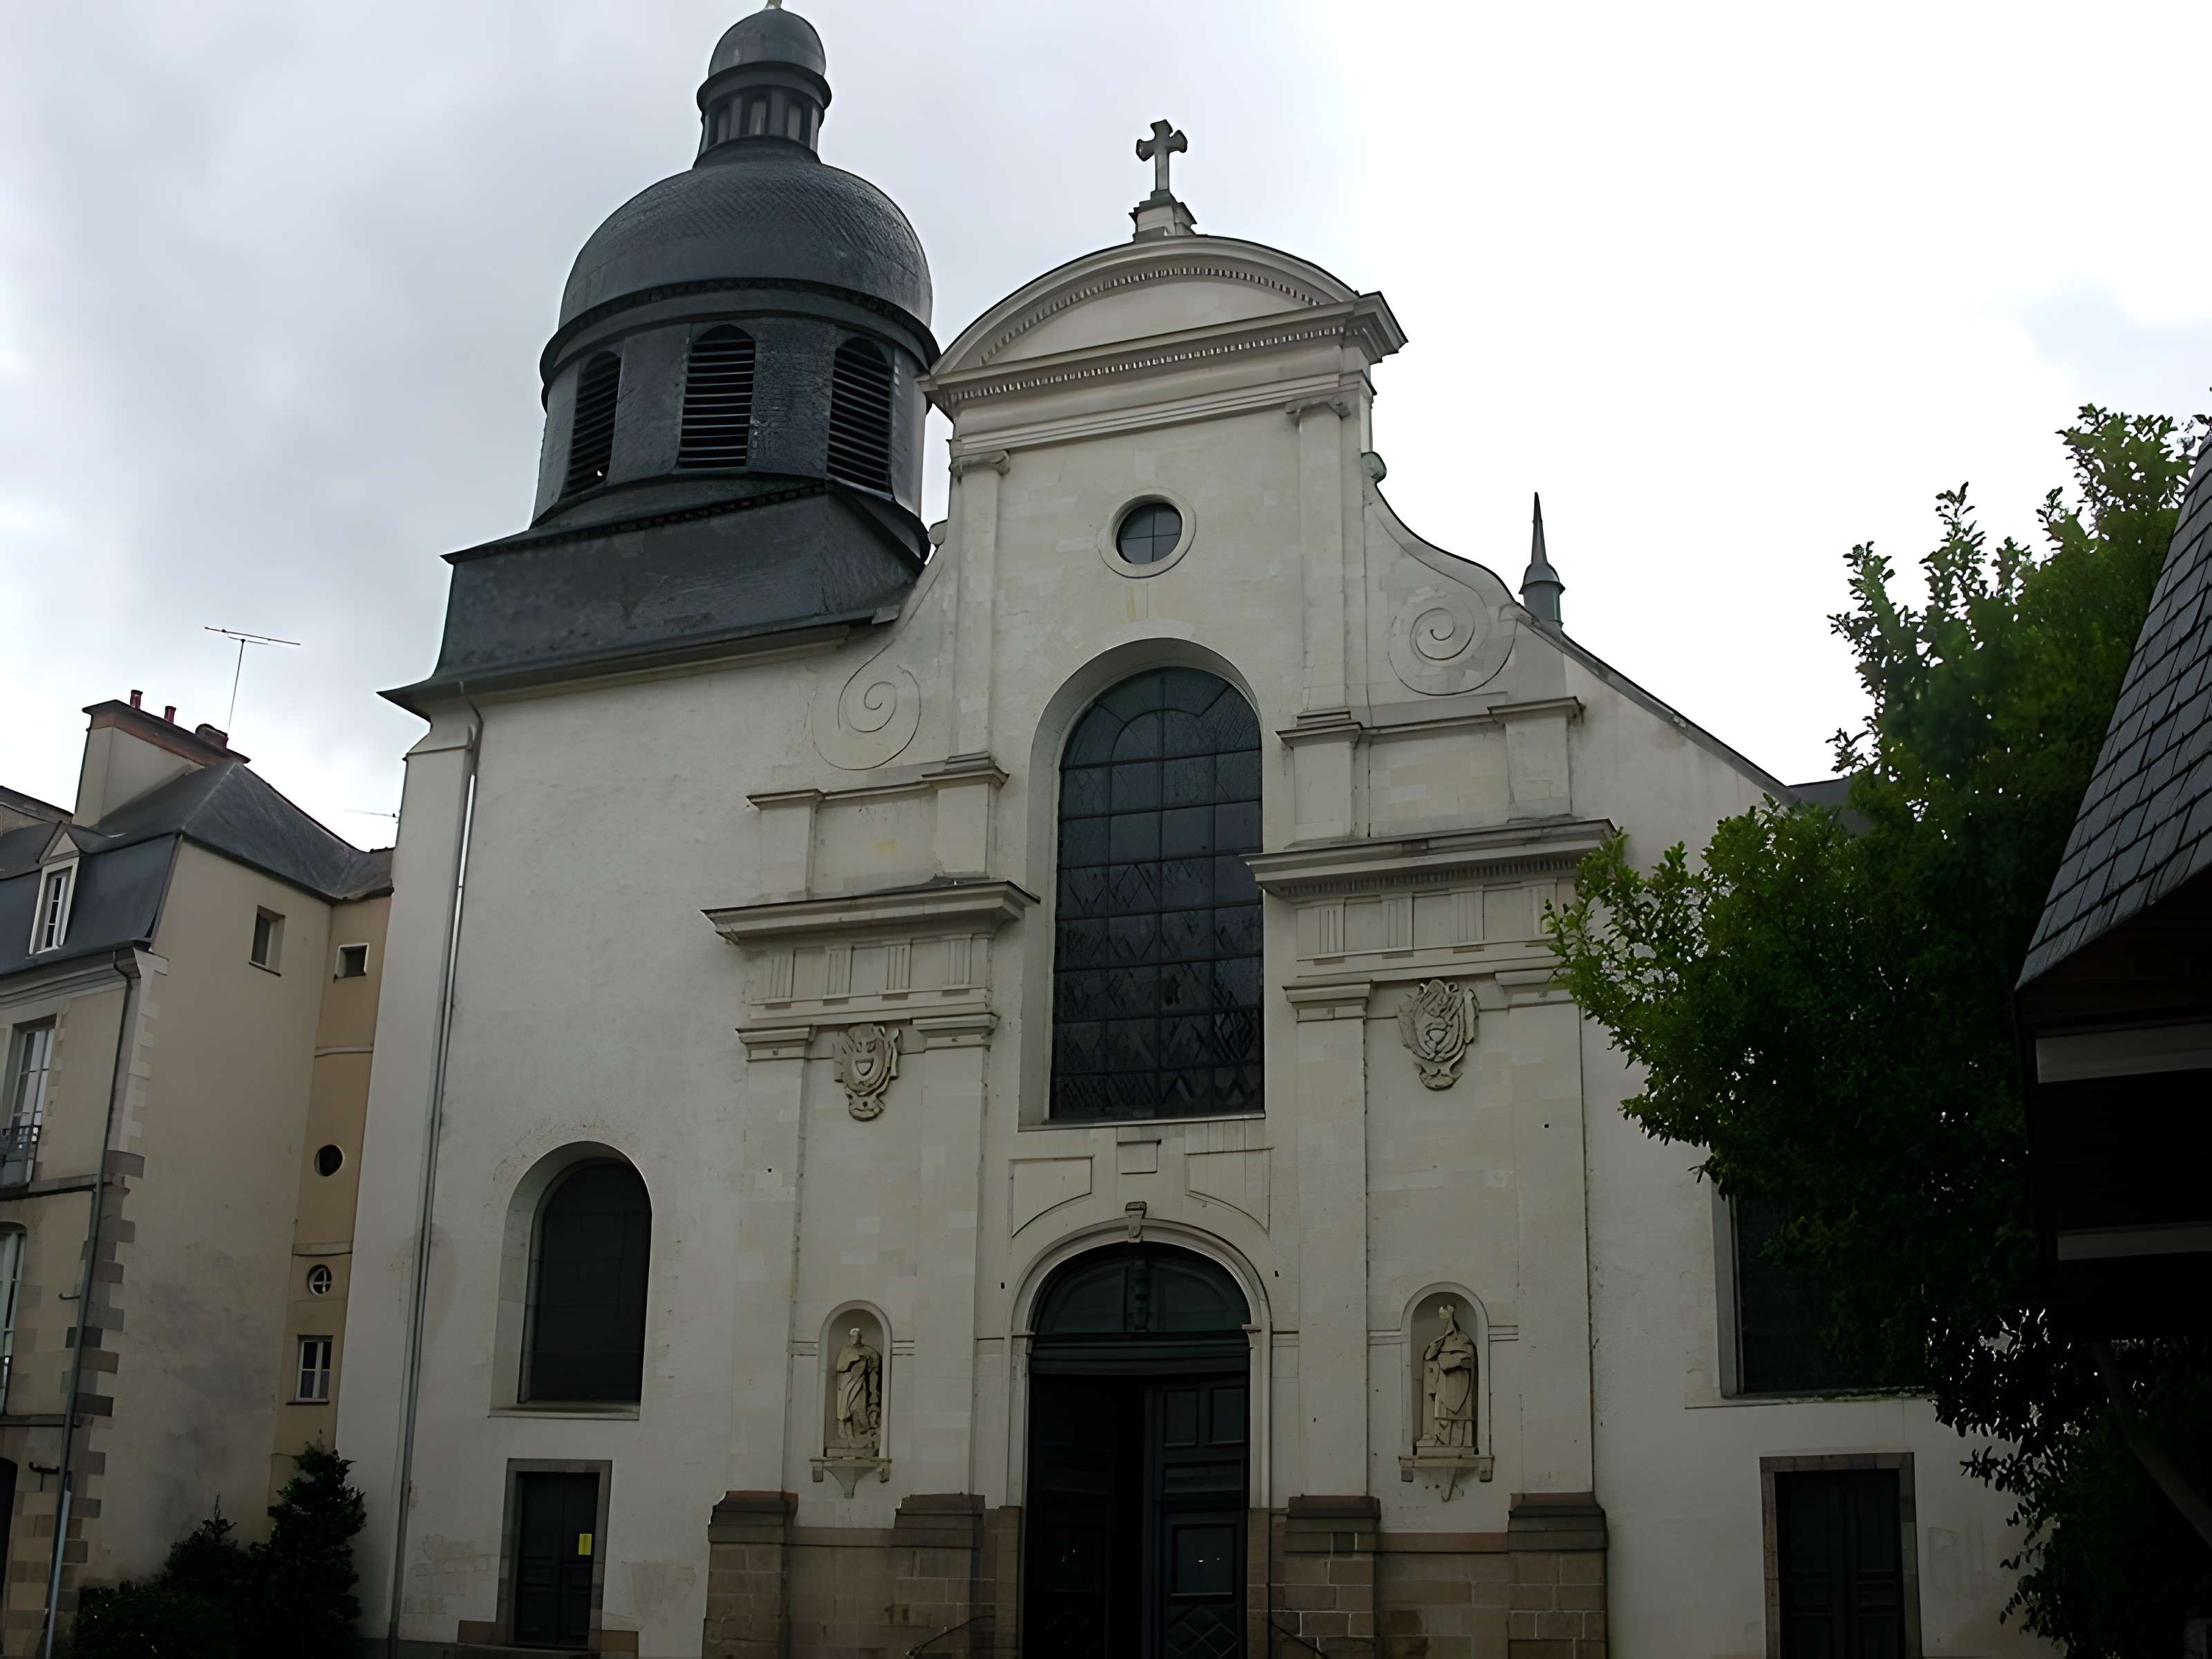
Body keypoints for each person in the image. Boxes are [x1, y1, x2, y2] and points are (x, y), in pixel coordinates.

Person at [1421, 1303, 1475, 1450]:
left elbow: (1467, 1360)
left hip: (1459, 1387)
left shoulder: (1465, 1341)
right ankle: (1442, 1441)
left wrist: (1454, 1360)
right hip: (1444, 1387)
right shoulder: (1440, 1342)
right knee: (1443, 1417)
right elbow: (1430, 1357)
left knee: (1459, 1420)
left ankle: (1459, 1444)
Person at [834, 1325, 881, 1452]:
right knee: (845, 1412)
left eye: (857, 1336)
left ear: (860, 1337)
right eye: (853, 1337)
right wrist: (852, 1359)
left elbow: (875, 1363)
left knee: (858, 1410)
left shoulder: (867, 1350)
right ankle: (846, 1438)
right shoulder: (845, 1351)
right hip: (846, 1386)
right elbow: (840, 1367)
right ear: (850, 1338)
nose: (855, 1339)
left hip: (860, 1385)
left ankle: (859, 1439)